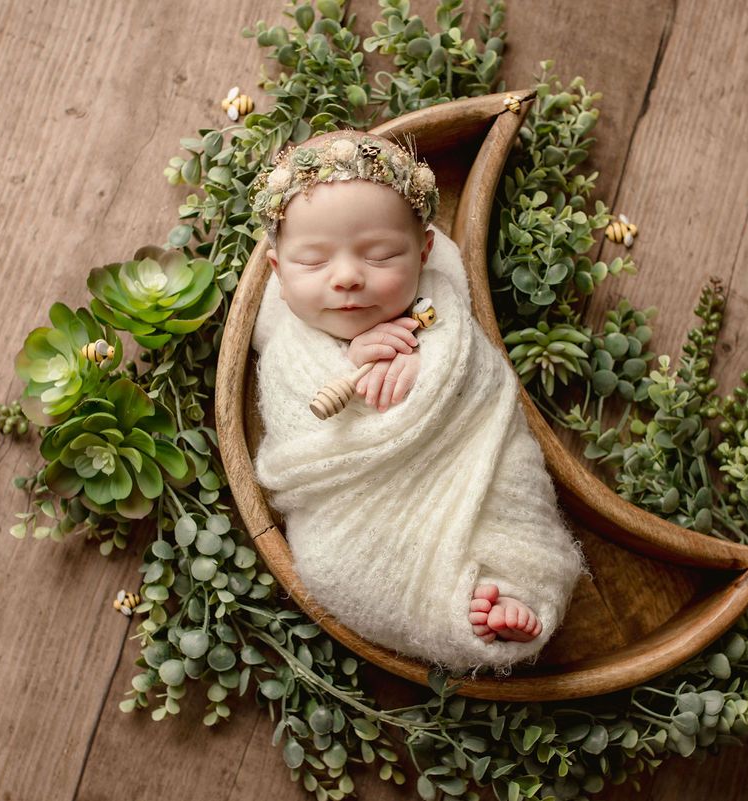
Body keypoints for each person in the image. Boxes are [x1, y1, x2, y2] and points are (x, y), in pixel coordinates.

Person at [249, 130, 585, 672]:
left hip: (463, 453)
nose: (348, 278)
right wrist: (350, 359)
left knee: (511, 483)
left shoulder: (440, 309)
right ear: (278, 273)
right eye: (312, 263)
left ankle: (506, 593)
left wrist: (430, 369)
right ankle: (458, 607)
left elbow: (476, 379)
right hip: (355, 505)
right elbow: (299, 417)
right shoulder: (288, 342)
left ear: (424, 251)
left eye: (381, 255)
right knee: (332, 561)